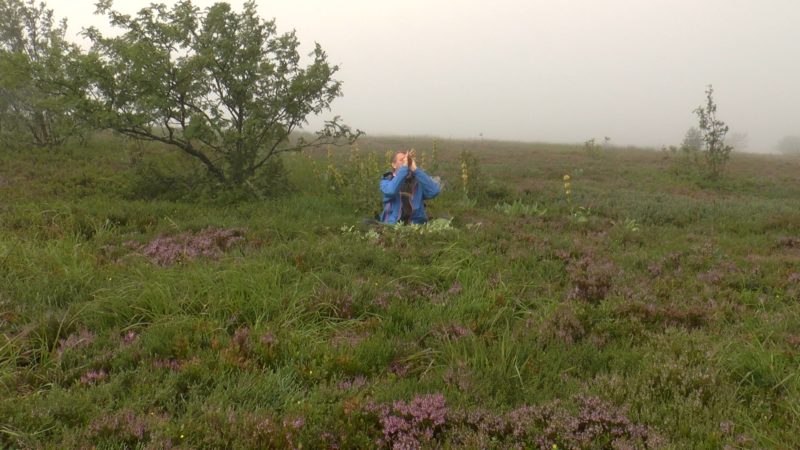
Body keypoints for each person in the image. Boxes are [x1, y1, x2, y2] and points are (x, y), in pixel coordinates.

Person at [379, 149, 440, 224]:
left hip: (416, 226)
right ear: (394, 165)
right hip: (393, 225)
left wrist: (415, 169)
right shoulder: (386, 181)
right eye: (402, 160)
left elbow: (434, 191)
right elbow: (391, 191)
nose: (406, 162)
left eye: (407, 160)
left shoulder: (418, 182)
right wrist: (404, 168)